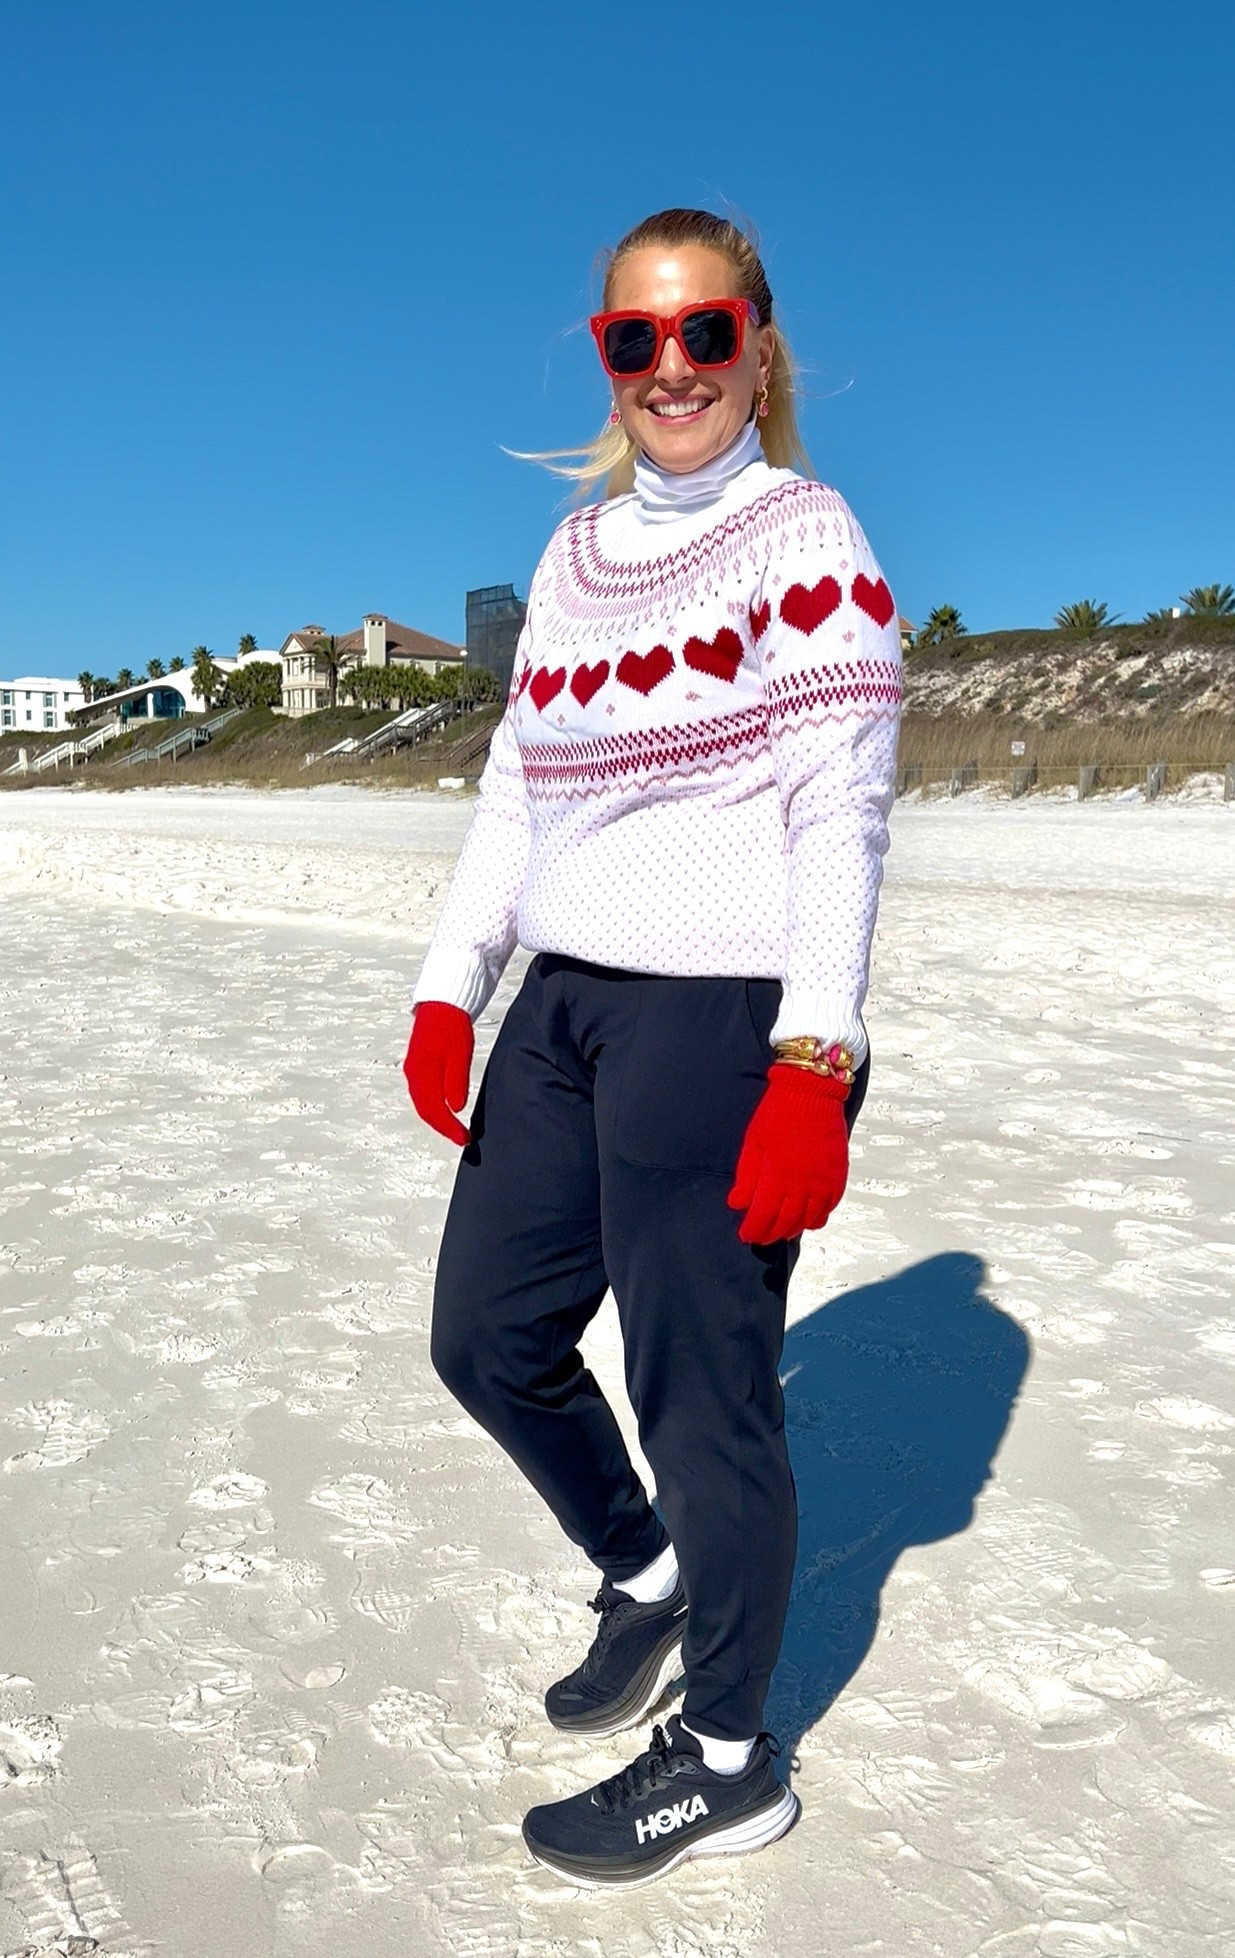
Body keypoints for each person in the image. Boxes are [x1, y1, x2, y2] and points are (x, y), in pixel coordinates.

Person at [403, 206, 902, 1888]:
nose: (672, 366)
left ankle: (733, 1758)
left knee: (708, 1397)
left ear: (761, 344)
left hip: (722, 1013)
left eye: (706, 333)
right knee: (486, 1334)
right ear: (607, 359)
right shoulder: (572, 555)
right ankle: (645, 1569)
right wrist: (448, 984)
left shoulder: (804, 533)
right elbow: (515, 787)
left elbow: (842, 807)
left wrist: (815, 1061)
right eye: (638, 339)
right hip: (565, 1003)